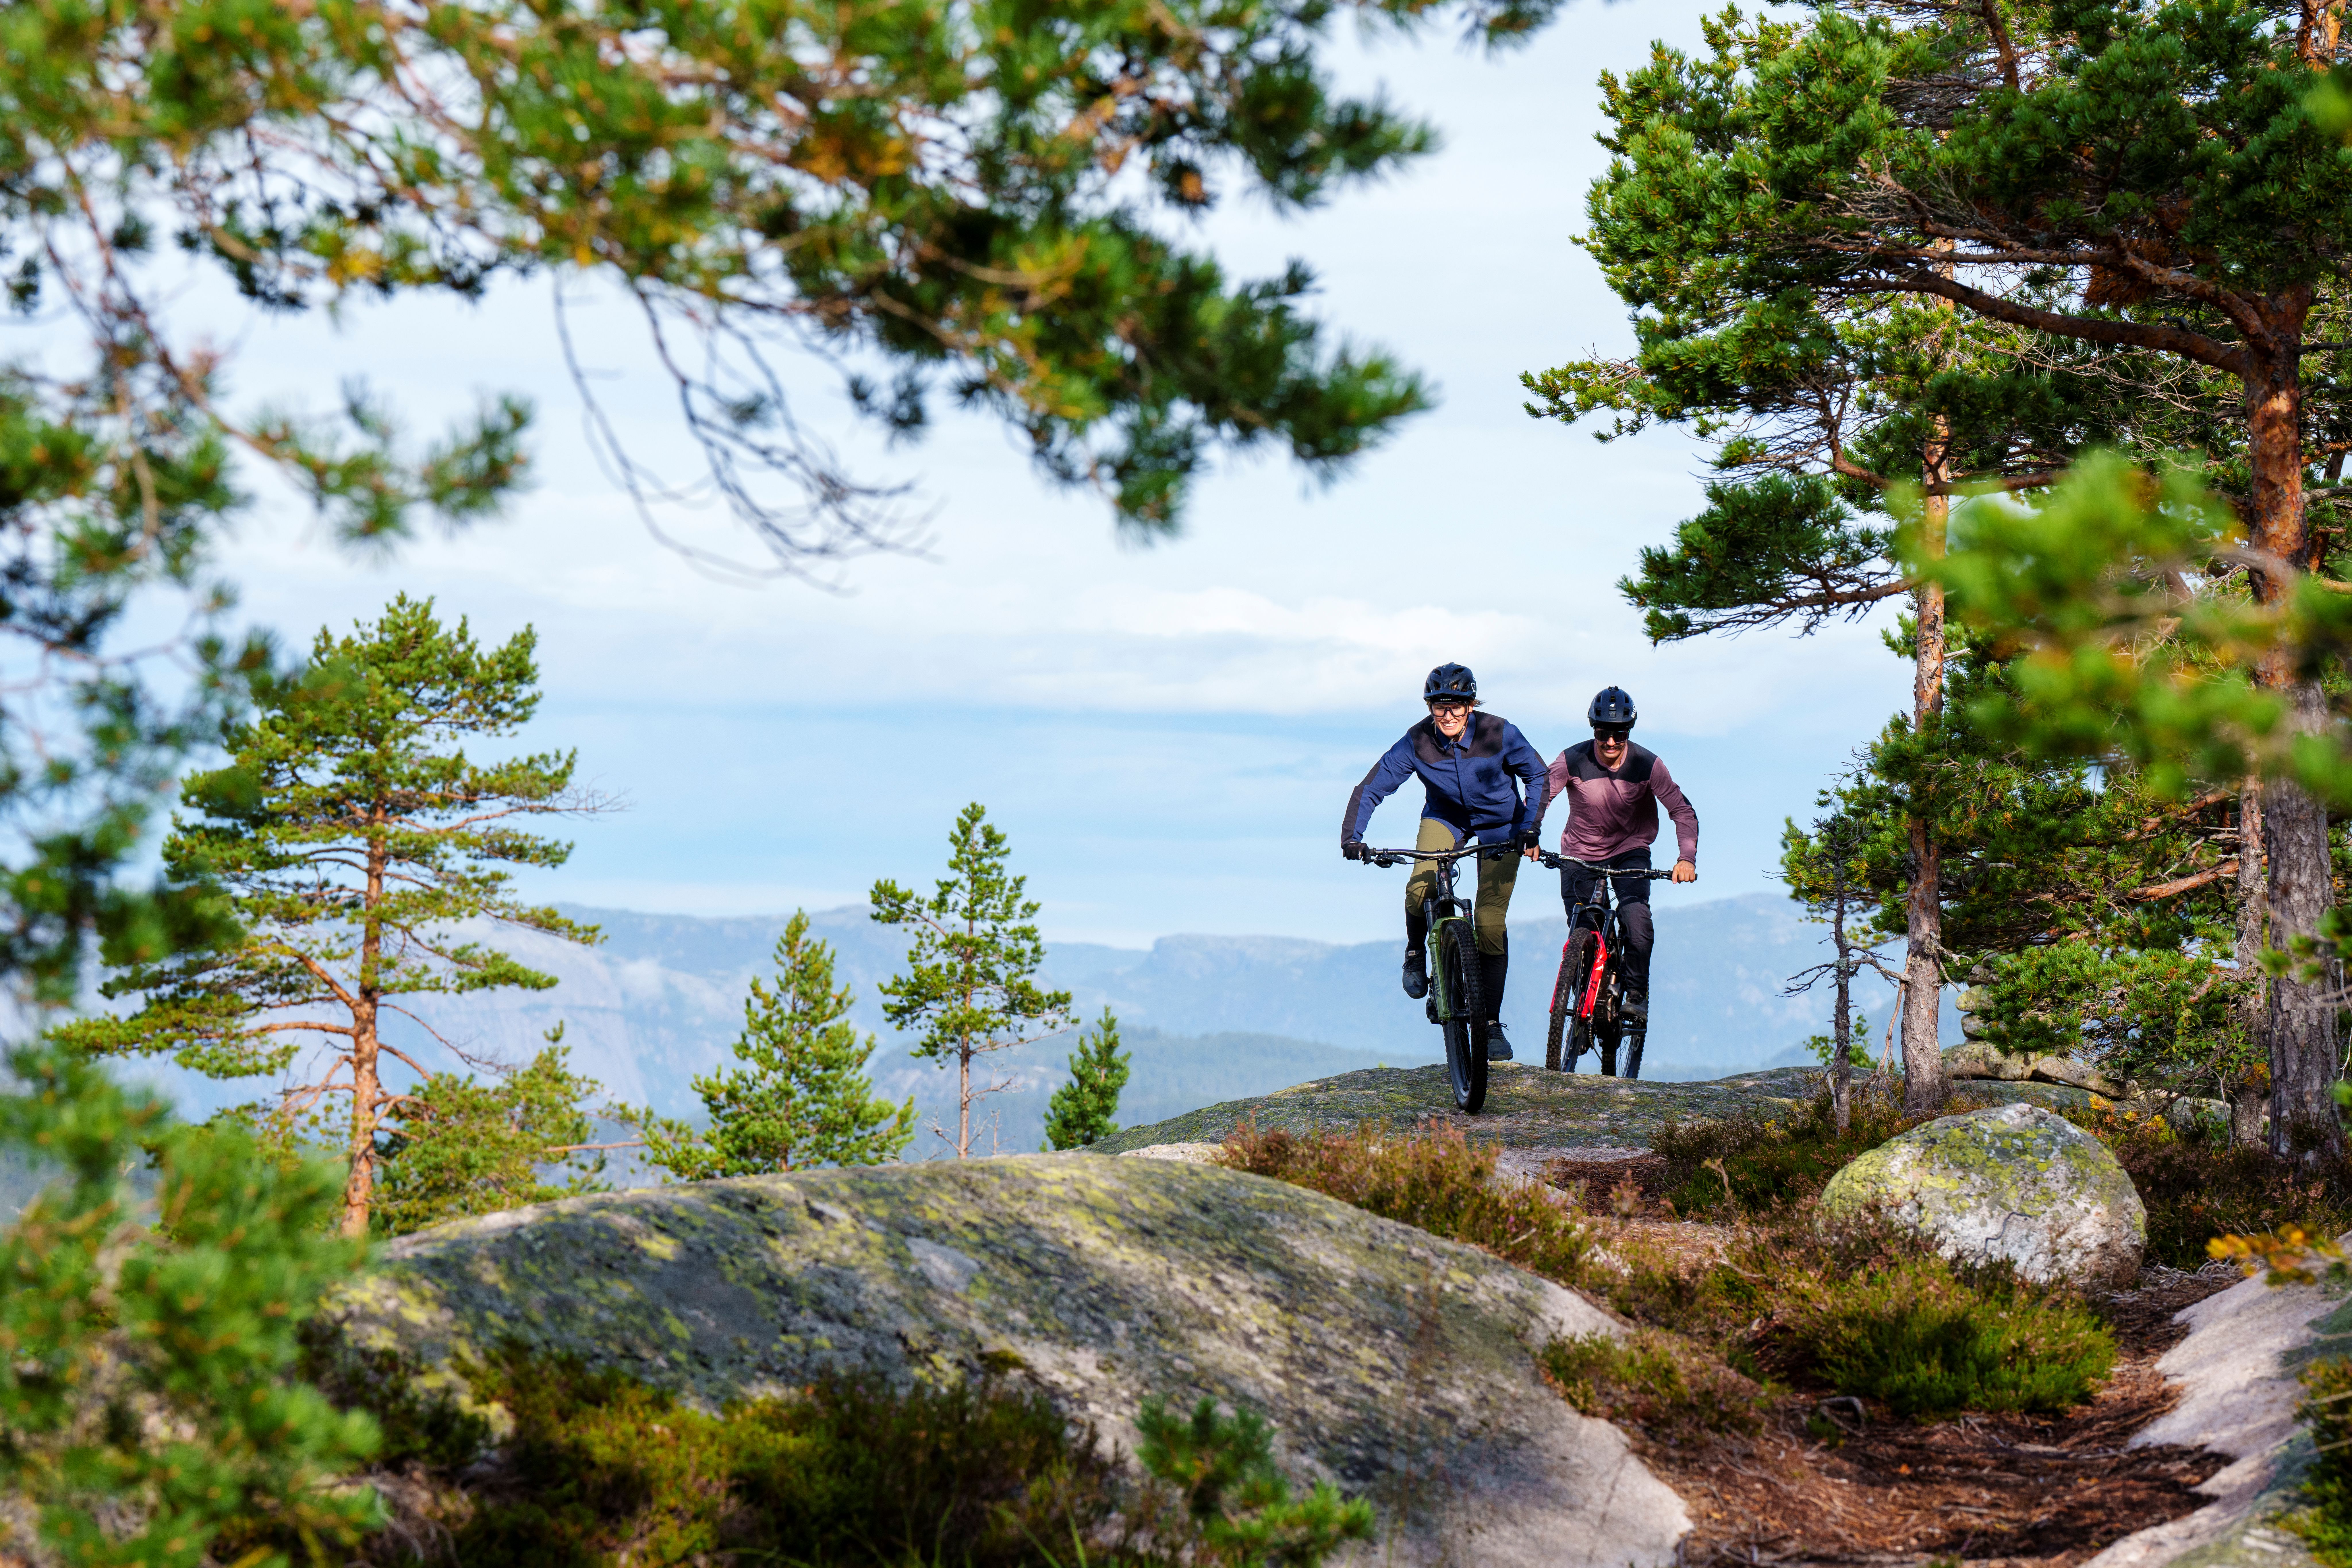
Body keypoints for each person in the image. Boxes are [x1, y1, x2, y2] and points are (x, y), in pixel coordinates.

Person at [1340, 663, 1546, 1060]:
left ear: (1470, 706)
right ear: (1429, 707)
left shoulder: (1499, 732)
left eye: (1456, 707)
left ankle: (1488, 1026)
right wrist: (1353, 837)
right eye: (1439, 708)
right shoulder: (1417, 740)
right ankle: (1416, 953)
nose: (1447, 716)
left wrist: (1530, 826)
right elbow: (1371, 787)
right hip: (1445, 819)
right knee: (1420, 888)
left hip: (1500, 825)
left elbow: (1537, 775)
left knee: (1489, 923)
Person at [1540, 686, 1698, 1024]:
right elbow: (1540, 796)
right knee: (1583, 930)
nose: (1611, 742)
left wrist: (1686, 858)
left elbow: (1682, 812)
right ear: (1593, 730)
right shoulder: (1571, 759)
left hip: (1630, 851)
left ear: (1629, 731)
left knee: (1637, 922)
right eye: (1602, 734)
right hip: (1580, 853)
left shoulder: (1647, 765)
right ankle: (1584, 1005)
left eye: (1620, 734)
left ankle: (1636, 994)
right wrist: (1529, 832)